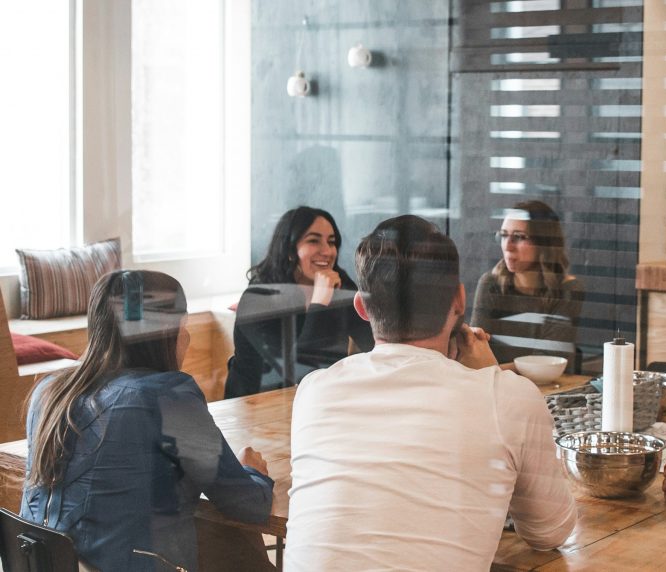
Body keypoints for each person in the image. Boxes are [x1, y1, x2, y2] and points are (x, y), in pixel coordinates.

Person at [286, 215, 577, 570]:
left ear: (361, 306)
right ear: (459, 299)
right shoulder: (509, 397)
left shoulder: (315, 392)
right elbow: (549, 532)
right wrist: (489, 374)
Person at [20, 271, 274, 572]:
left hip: (45, 565)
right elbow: (248, 505)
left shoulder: (47, 394)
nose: (188, 338)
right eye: (184, 325)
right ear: (165, 333)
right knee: (237, 545)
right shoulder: (167, 397)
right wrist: (253, 473)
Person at [224, 206, 374, 398]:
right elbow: (300, 372)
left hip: (320, 399)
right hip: (255, 407)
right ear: (289, 250)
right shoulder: (257, 298)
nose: (327, 251)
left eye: (332, 242)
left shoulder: (340, 285)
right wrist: (320, 303)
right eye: (313, 241)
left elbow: (374, 343)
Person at [471, 200, 583, 365]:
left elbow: (547, 360)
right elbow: (474, 349)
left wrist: (493, 371)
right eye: (503, 235)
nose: (508, 246)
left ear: (543, 244)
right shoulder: (491, 284)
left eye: (518, 237)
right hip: (496, 385)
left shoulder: (568, 289)